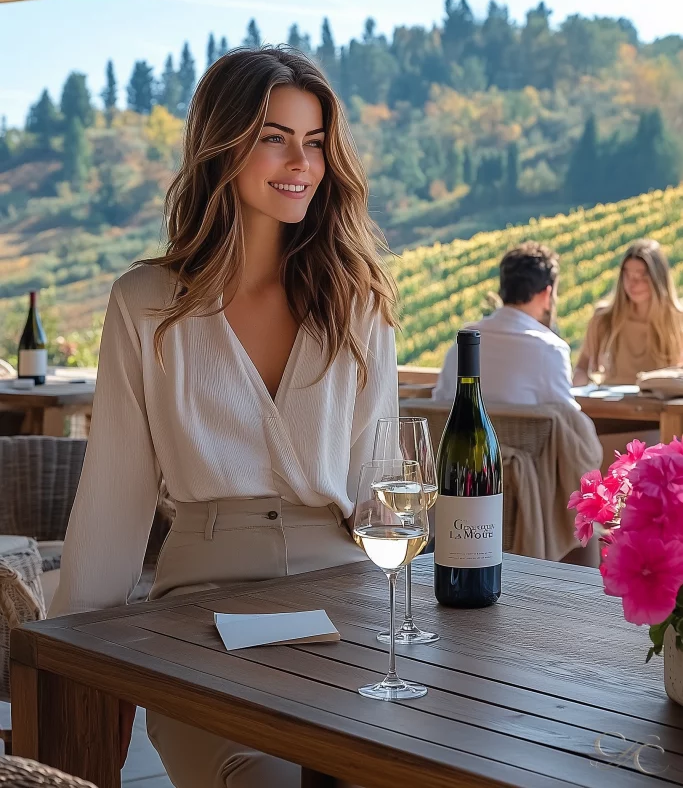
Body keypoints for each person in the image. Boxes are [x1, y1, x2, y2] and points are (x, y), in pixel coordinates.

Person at [49, 48, 399, 788]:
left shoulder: (357, 299)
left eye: (314, 142)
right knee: (257, 776)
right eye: (274, 137)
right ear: (223, 146)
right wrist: (72, 660)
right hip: (201, 601)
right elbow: (114, 498)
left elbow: (380, 479)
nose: (300, 162)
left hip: (342, 591)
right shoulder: (147, 304)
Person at [432, 241, 578, 410]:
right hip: (523, 429)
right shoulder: (550, 350)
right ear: (547, 294)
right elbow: (567, 418)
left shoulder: (462, 345)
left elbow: (438, 404)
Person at [574, 238, 683, 386]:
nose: (632, 283)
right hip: (611, 400)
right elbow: (582, 367)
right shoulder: (604, 318)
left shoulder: (678, 321)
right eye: (627, 275)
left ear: (658, 279)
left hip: (658, 401)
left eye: (641, 276)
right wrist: (580, 391)